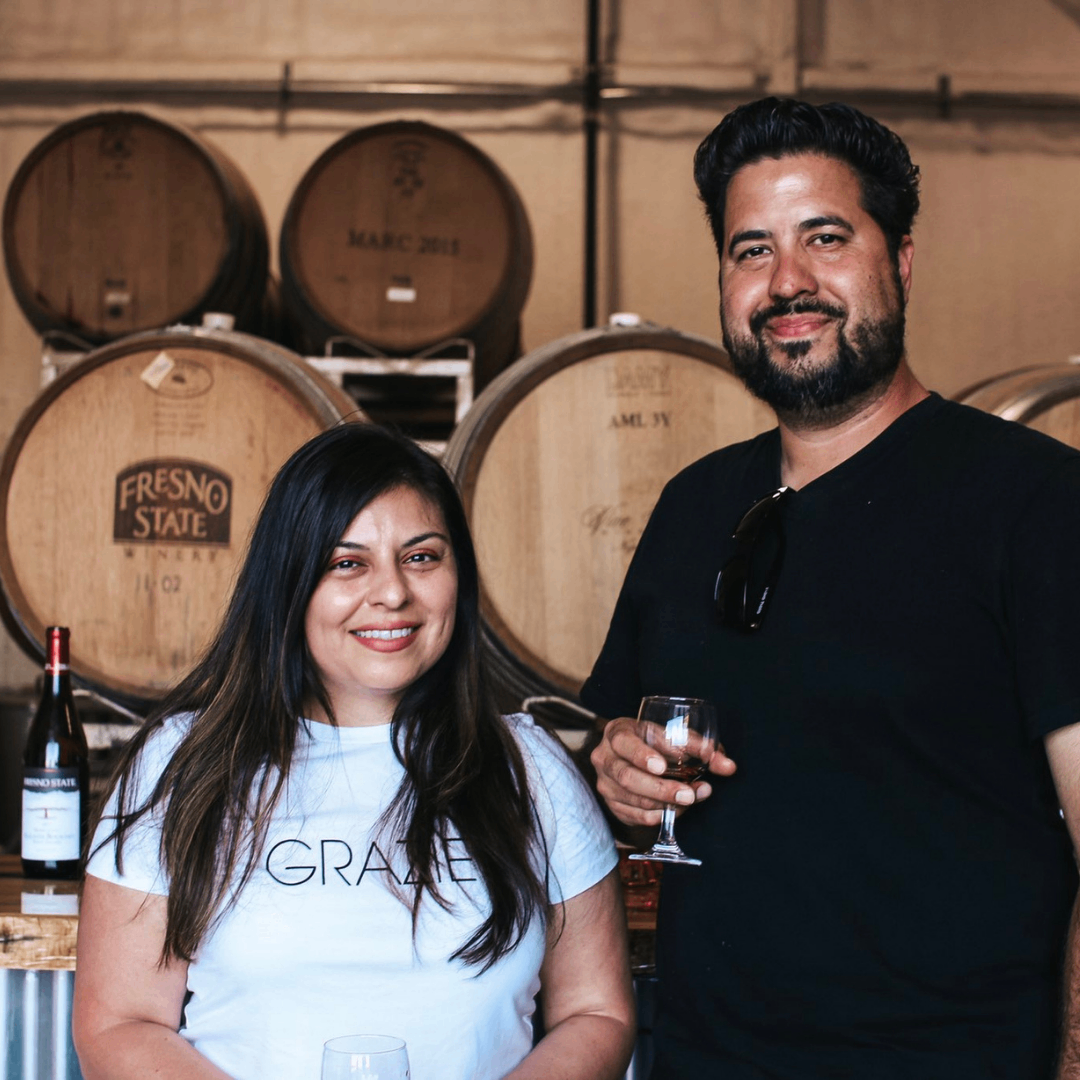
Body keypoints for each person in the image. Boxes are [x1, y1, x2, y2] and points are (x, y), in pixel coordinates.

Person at [585, 96, 1080, 1079]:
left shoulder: (1034, 501)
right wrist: (614, 767)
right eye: (751, 249)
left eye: (825, 238)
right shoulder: (696, 503)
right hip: (704, 1061)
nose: (788, 282)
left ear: (901, 260)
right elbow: (609, 751)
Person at [72, 422, 635, 1080]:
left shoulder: (529, 768)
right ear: (289, 585)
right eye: (348, 563)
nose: (392, 592)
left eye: (422, 557)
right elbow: (118, 1022)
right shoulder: (183, 766)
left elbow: (598, 1013)